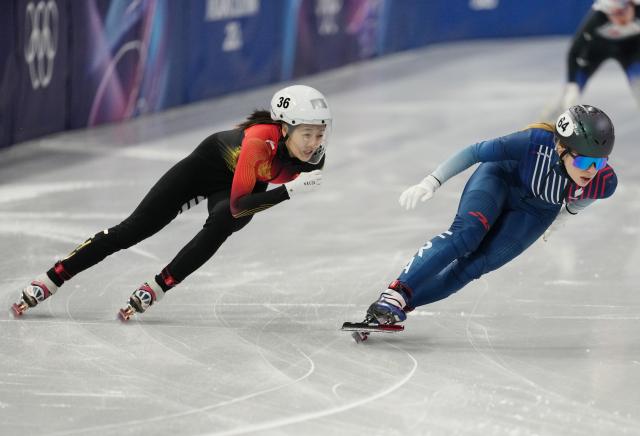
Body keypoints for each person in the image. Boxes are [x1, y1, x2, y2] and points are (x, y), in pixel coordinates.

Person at [11, 84, 332, 320]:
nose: (314, 143)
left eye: (320, 134)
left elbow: (233, 211)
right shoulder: (260, 140)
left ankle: (158, 285)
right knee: (132, 231)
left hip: (244, 183)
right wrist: (289, 191)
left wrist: (288, 187)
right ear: (284, 128)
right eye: (307, 134)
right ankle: (53, 277)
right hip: (205, 168)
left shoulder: (313, 159)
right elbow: (240, 204)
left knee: (222, 223)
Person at [363, 105, 617, 327]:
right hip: (500, 179)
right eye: (584, 162)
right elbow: (475, 151)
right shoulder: (532, 143)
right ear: (561, 148)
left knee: (474, 266)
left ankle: (398, 307)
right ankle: (395, 293)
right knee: (467, 235)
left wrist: (565, 215)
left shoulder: (604, 181)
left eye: (601, 162)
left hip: (537, 210)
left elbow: (591, 193)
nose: (593, 170)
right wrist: (431, 181)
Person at [543, 0, 640, 121]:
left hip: (630, 52)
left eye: (621, 12)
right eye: (613, 14)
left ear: (632, 4)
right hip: (596, 52)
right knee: (569, 96)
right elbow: (574, 51)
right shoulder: (597, 17)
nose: (619, 18)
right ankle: (544, 124)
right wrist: (572, 83)